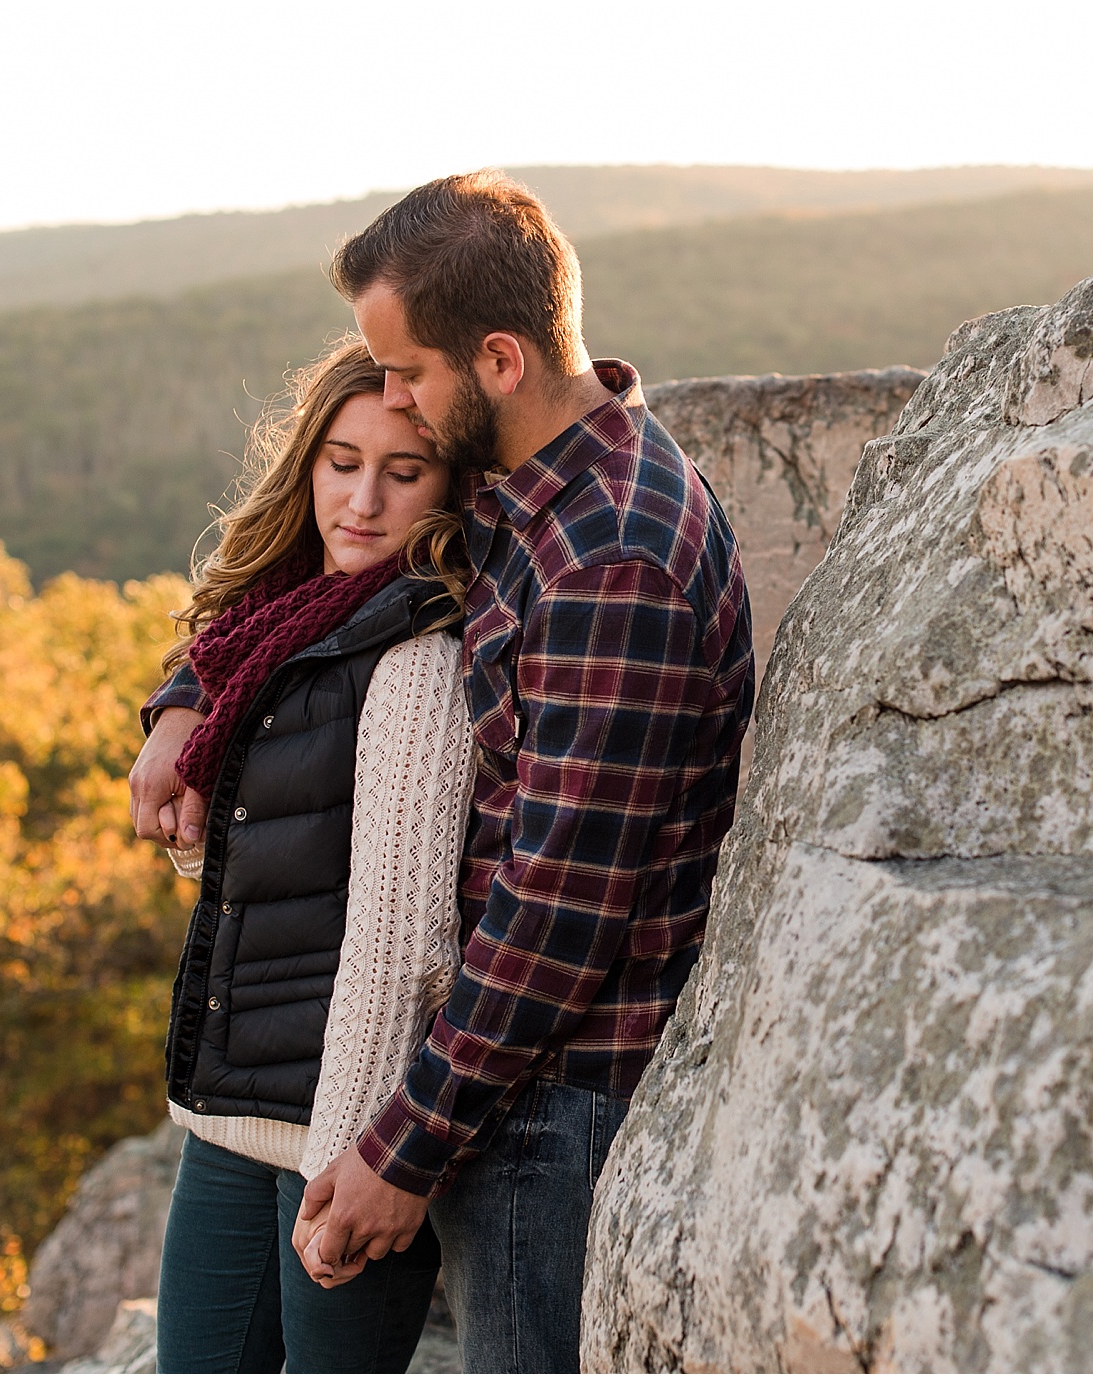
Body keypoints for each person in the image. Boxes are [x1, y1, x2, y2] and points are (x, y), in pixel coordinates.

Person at [136, 169, 755, 1371]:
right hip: (490, 1086)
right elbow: (304, 599)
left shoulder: (608, 556)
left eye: (412, 376)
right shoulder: (538, 493)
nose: (397, 401)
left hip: (551, 1101)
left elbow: (560, 907)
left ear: (501, 361)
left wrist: (400, 1145)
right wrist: (182, 699)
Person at [127, 338, 477, 1372]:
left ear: (452, 489)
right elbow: (255, 872)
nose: (362, 500)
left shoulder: (417, 658)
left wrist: (350, 1167)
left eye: (401, 473)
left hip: (343, 1147)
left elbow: (401, 949)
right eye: (339, 462)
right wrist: (176, 719)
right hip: (230, 1119)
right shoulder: (271, 630)